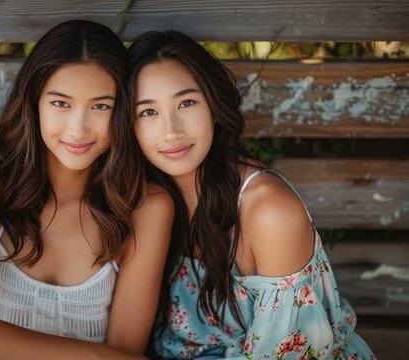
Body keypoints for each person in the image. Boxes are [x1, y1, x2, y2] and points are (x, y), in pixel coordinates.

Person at [0, 20, 173, 360]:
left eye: (101, 106)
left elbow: (125, 350)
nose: (78, 130)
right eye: (61, 103)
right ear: (34, 101)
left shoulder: (145, 206)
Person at [128, 30, 376, 359]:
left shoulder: (268, 211)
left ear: (214, 107)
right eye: (148, 112)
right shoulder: (146, 198)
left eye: (187, 103)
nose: (171, 131)